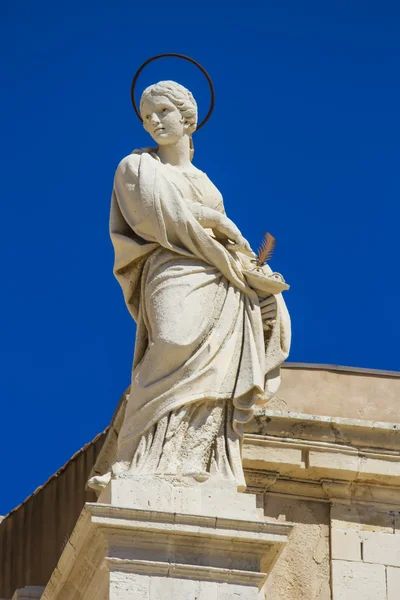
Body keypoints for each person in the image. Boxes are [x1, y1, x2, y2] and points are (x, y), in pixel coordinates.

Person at [88, 81, 290, 492]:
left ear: (187, 118)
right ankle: (134, 450)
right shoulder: (136, 168)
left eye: (162, 111)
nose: (154, 122)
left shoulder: (204, 179)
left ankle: (193, 458)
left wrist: (253, 273)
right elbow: (153, 216)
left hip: (220, 278)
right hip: (172, 266)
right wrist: (213, 221)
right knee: (172, 341)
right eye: (147, 117)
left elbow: (228, 243)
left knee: (216, 369)